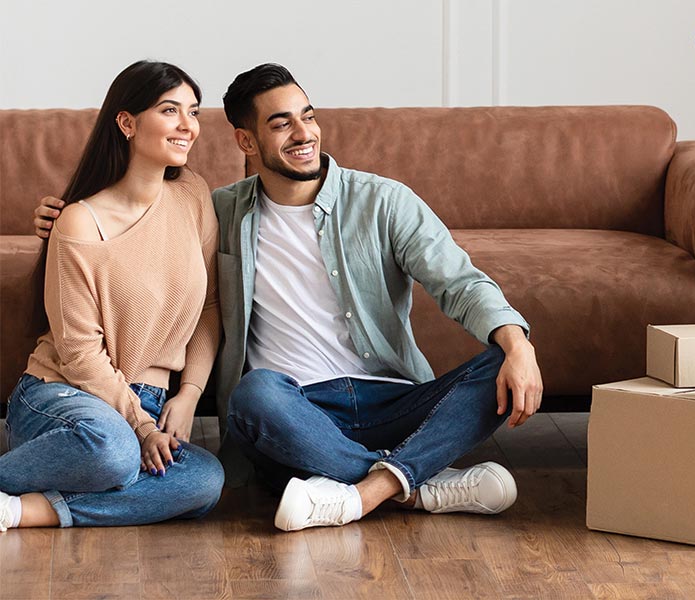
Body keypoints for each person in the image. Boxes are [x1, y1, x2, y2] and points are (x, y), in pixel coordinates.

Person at [33, 63, 544, 533]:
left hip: (392, 397)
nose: (304, 134)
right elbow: (139, 233)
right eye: (281, 124)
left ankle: (368, 491)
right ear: (245, 140)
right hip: (292, 410)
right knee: (255, 392)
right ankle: (421, 481)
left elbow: (461, 282)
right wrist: (60, 222)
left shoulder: (383, 202)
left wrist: (518, 344)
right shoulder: (218, 209)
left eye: (308, 117)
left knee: (503, 356)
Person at [0, 61, 224, 533]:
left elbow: (208, 309)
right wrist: (140, 427)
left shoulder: (193, 196)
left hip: (151, 400)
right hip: (65, 394)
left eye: (194, 111)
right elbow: (79, 355)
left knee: (204, 480)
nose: (189, 126)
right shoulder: (80, 221)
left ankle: (23, 510)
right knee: (112, 451)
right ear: (127, 123)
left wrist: (188, 395)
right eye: (170, 110)